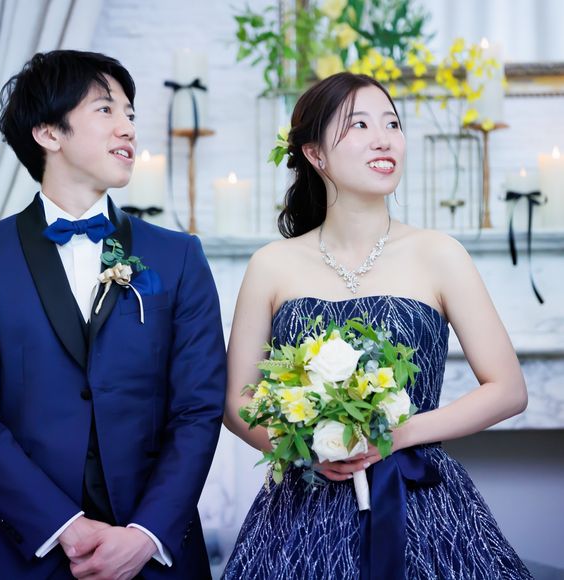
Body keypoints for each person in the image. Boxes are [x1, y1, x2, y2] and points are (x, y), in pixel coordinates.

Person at [222, 72, 532, 579]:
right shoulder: (271, 265)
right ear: (315, 154)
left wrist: (397, 434)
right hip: (304, 503)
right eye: (359, 125)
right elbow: (237, 401)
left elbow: (508, 390)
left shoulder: (440, 254)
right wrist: (306, 450)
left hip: (419, 500)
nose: (384, 139)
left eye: (392, 124)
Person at [0, 50, 226, 579]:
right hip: (21, 550)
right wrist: (62, 526)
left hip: (155, 554)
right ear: (49, 132)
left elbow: (199, 408)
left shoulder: (178, 256)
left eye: (130, 114)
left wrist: (145, 535)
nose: (128, 128)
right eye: (105, 109)